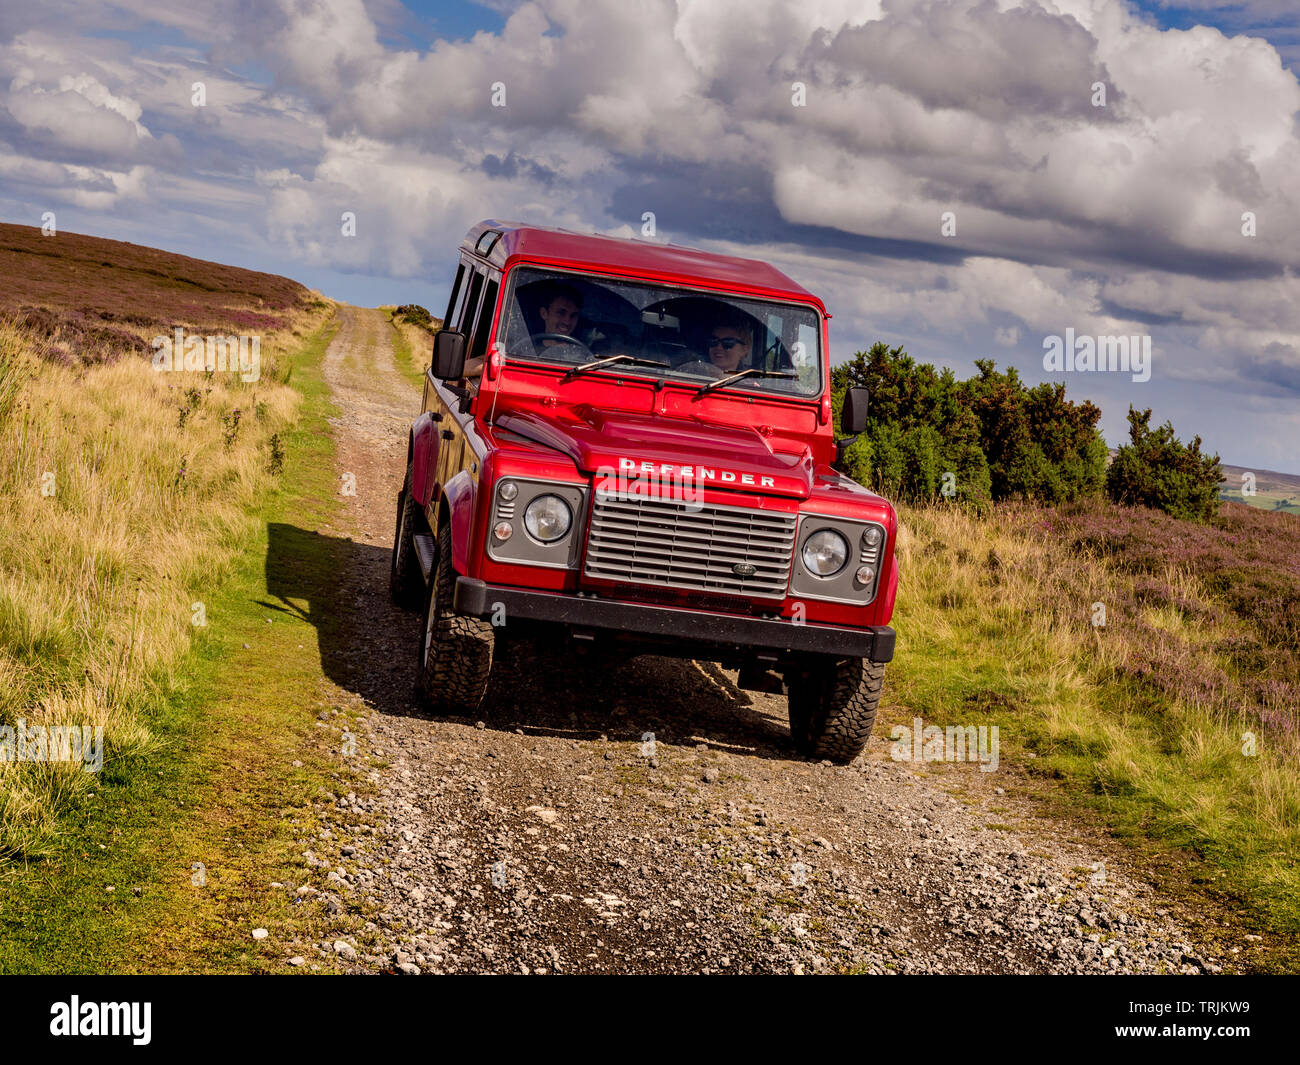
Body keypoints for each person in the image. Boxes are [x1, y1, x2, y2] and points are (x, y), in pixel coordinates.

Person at [535, 283, 583, 347]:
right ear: (544, 313)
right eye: (561, 313)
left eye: (573, 315)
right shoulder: (527, 350)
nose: (567, 322)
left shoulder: (583, 354)